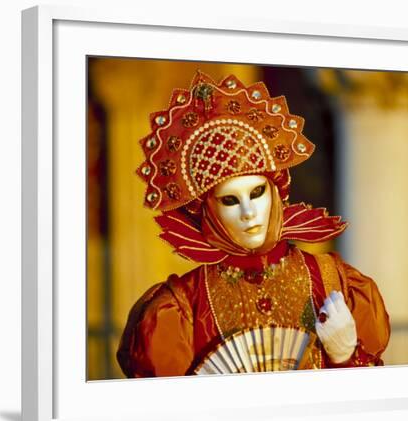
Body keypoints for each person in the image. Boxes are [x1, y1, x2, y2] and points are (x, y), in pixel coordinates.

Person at [117, 71, 390, 378]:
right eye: (230, 201)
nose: (248, 212)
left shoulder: (333, 282)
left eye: (257, 193)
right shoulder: (182, 306)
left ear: (276, 192)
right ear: (207, 212)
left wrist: (345, 355)